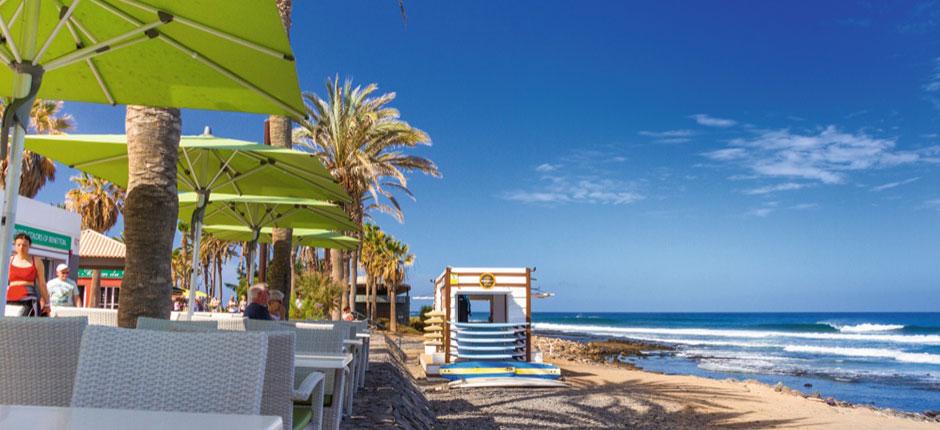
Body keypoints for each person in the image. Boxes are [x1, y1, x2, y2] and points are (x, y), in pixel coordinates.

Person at [6, 233, 49, 316]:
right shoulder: (9, 260)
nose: (21, 247)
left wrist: (47, 303)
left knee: (24, 324)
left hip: (29, 298)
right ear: (15, 245)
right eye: (19, 245)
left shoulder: (36, 261)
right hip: (10, 297)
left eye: (25, 245)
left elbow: (42, 284)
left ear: (29, 246)